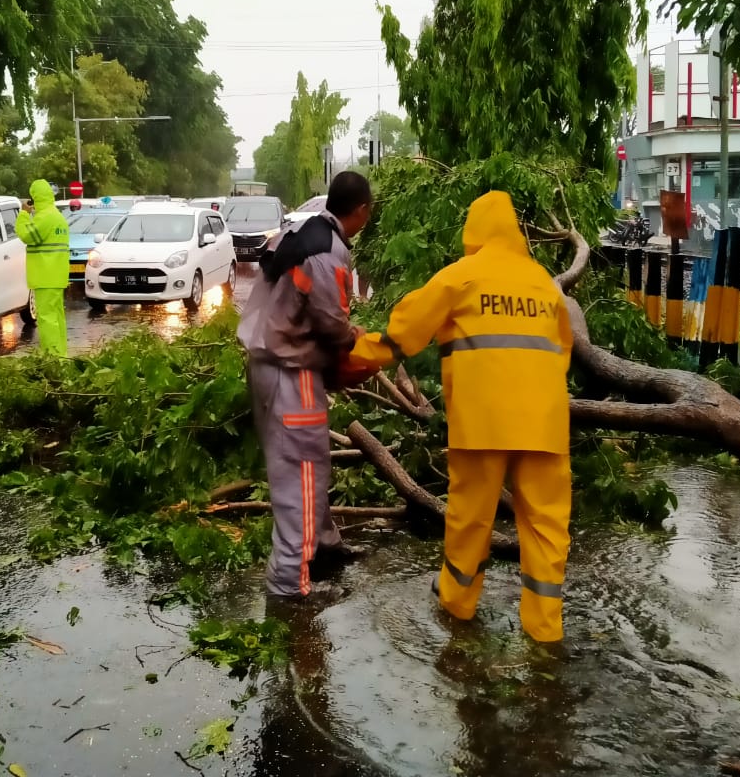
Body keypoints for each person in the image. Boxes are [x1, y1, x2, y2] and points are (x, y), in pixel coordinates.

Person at [351, 191, 573, 642]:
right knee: (547, 527)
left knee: (471, 518)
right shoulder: (544, 284)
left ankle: (457, 602)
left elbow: (401, 334)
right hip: (545, 423)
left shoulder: (461, 277)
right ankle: (545, 630)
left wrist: (349, 351)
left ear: (473, 233)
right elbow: (562, 351)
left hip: (482, 424)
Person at [237, 171, 372, 599]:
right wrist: (357, 338)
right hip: (293, 373)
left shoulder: (298, 230)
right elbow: (331, 323)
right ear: (363, 210)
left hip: (265, 365)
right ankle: (289, 586)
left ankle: (324, 545)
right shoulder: (328, 251)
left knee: (307, 466)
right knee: (302, 472)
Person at [14, 179, 69, 357]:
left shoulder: (45, 217)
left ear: (35, 197)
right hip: (56, 275)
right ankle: (61, 355)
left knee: (46, 318)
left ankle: (53, 357)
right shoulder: (56, 216)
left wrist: (23, 214)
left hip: (46, 275)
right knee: (57, 317)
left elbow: (27, 235)